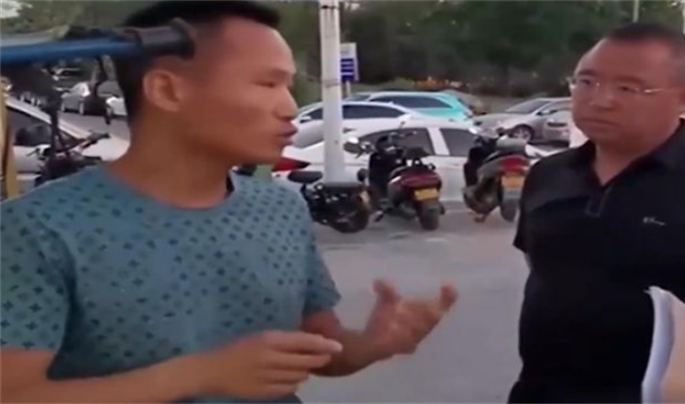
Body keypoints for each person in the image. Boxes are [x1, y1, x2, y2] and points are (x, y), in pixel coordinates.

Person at [0, 1, 458, 404]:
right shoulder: (36, 229)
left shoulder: (281, 209)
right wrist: (199, 374)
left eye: (287, 86)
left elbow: (318, 347)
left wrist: (371, 345)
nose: (288, 107)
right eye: (267, 84)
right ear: (167, 90)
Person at [509, 22, 685, 404]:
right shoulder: (548, 174)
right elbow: (543, 270)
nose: (600, 100)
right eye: (586, 82)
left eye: (628, 88)